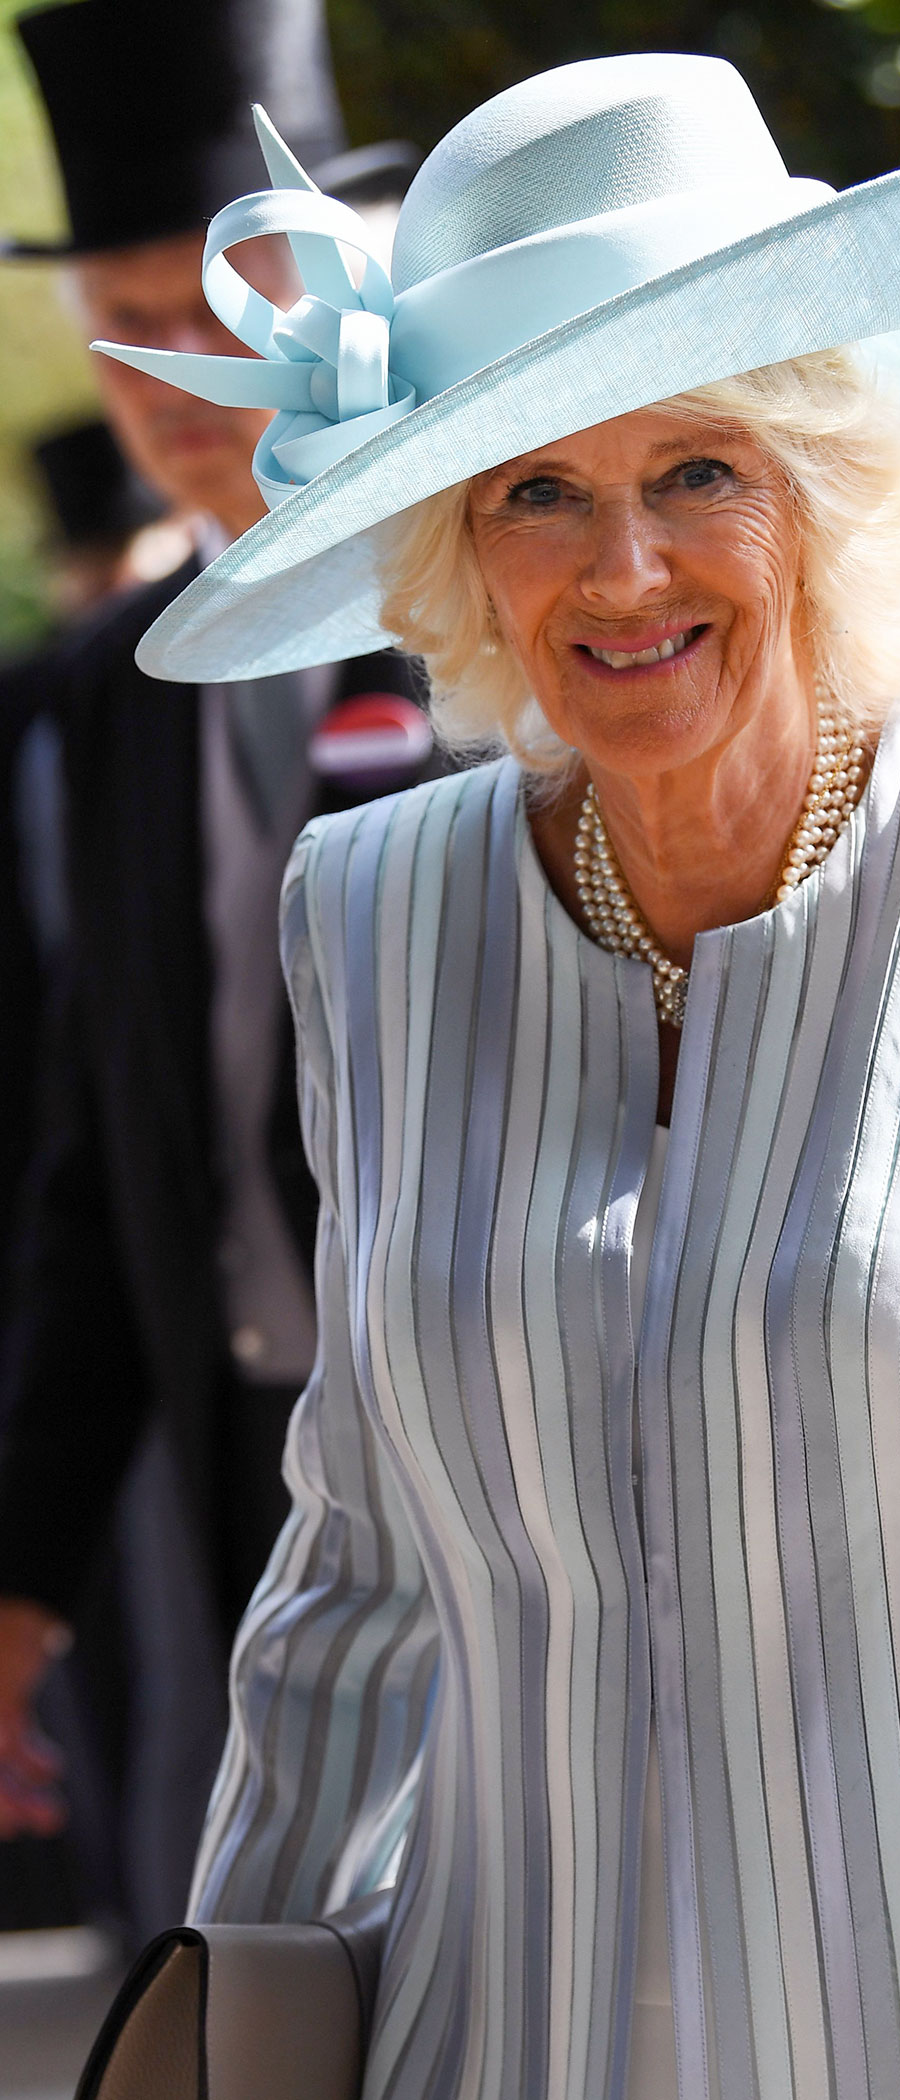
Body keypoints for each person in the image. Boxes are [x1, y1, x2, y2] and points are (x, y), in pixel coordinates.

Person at [99, 53, 900, 2100]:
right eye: (537, 487)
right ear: (460, 553)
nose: (621, 569)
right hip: (497, 2039)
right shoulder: (368, 909)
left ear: (829, 482)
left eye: (698, 469)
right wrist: (229, 2028)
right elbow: (358, 1573)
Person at [0, 0, 428, 1937]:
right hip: (234, 1492)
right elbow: (100, 1145)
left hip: (520, 1475)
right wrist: (30, 1566)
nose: (165, 378)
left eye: (211, 305)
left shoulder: (515, 608)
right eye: (118, 317)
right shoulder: (111, 692)